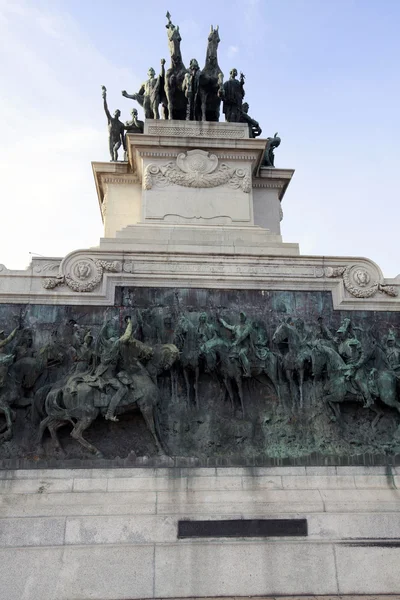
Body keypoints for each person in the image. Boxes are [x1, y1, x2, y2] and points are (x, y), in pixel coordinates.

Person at [219, 311, 252, 377]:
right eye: (240, 316)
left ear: (244, 318)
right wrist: (222, 321)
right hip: (237, 346)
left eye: (242, 317)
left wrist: (236, 342)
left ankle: (248, 372)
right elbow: (227, 326)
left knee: (241, 353)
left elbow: (243, 336)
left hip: (245, 346)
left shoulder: (248, 327)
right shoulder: (236, 327)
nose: (241, 318)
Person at [102, 86, 126, 162]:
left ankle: (115, 161)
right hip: (111, 138)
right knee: (111, 151)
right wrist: (104, 98)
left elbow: (122, 135)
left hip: (118, 139)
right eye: (116, 112)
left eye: (118, 113)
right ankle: (113, 161)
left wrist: (124, 145)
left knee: (115, 149)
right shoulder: (110, 120)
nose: (117, 113)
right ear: (114, 113)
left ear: (119, 115)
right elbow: (106, 109)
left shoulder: (121, 124)